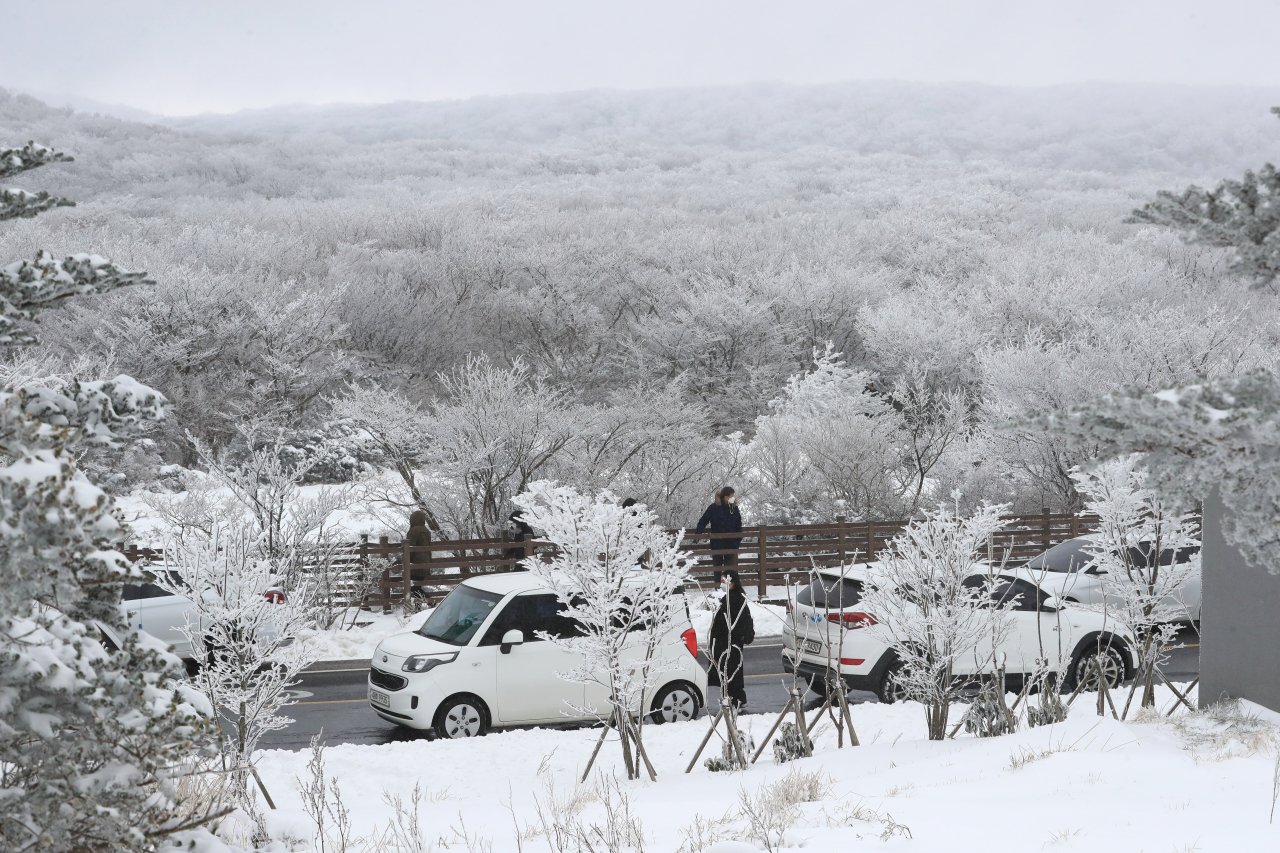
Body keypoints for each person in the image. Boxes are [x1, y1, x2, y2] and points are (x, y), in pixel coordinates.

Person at [707, 569, 754, 711]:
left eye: (724, 581)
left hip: (730, 642)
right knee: (730, 672)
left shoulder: (736, 599)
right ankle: (738, 699)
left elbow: (742, 620)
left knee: (729, 672)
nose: (722, 584)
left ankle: (733, 702)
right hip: (726, 641)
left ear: (732, 582)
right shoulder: (730, 597)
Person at [695, 486, 742, 583]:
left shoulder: (734, 509)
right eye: (732, 496)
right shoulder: (714, 508)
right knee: (717, 569)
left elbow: (739, 526)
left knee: (729, 570)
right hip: (717, 544)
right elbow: (703, 521)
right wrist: (698, 534)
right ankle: (717, 589)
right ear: (726, 497)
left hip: (731, 545)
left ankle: (728, 591)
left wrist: (737, 541)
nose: (734, 498)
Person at [406, 509, 433, 597]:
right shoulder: (427, 531)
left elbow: (410, 547)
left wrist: (406, 559)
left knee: (413, 588)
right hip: (425, 562)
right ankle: (418, 607)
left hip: (415, 564)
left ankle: (431, 602)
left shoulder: (414, 531)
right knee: (417, 587)